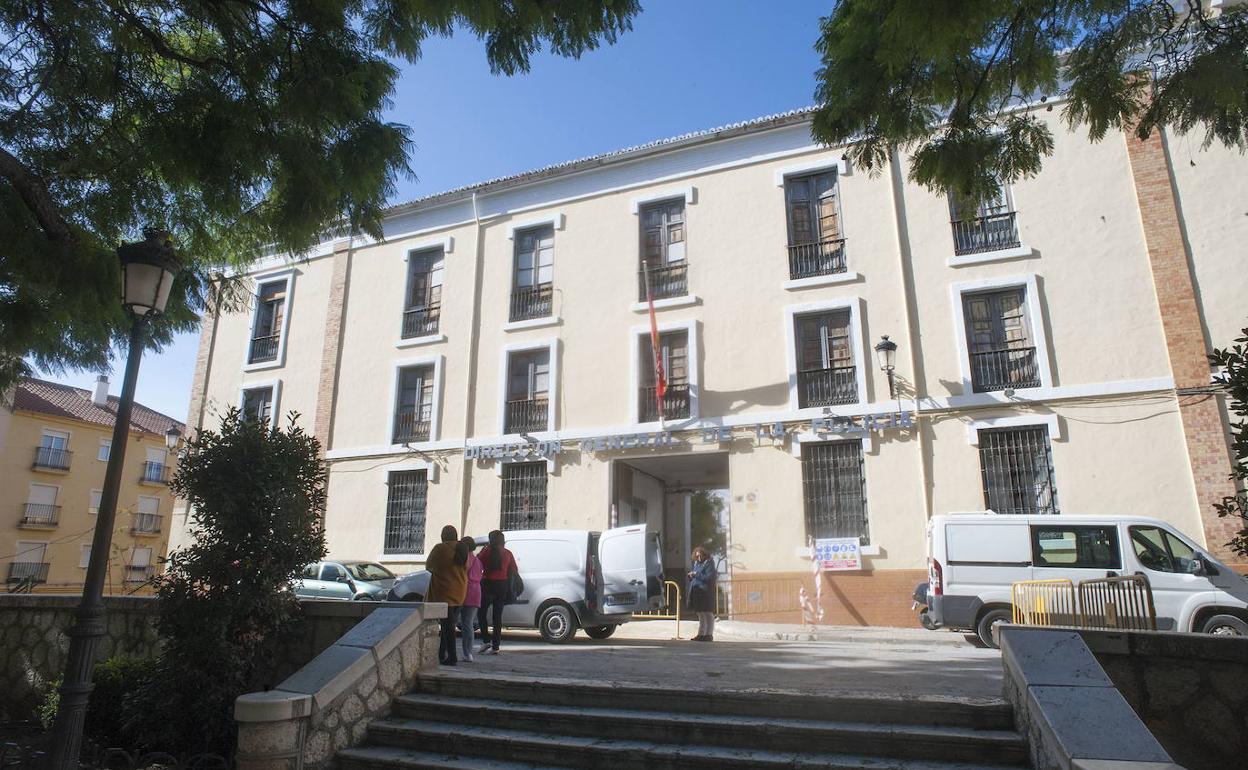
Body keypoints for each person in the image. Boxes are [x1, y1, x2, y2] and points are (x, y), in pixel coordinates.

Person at [425, 524, 468, 665]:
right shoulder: (463, 548)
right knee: (448, 626)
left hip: (444, 593)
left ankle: (452, 657)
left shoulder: (440, 548)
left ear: (443, 536)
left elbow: (429, 566)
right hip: (460, 593)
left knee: (447, 628)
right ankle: (441, 654)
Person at [477, 529, 518, 655]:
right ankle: (496, 645)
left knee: (481, 613)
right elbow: (514, 570)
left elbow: (477, 564)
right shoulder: (507, 553)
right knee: (497, 616)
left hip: (487, 585)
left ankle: (485, 640)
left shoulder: (486, 552)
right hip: (502, 585)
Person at [458, 535, 483, 662]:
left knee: (464, 623)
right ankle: (468, 653)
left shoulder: (465, 559)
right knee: (468, 624)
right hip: (476, 591)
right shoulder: (478, 561)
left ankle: (466, 653)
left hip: (465, 591)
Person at [687, 546, 717, 642]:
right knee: (700, 614)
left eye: (700, 556)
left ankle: (708, 634)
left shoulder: (709, 564)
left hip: (706, 593)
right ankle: (701, 634)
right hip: (697, 592)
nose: (699, 558)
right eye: (697, 556)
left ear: (704, 555)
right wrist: (691, 576)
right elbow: (696, 576)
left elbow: (709, 578)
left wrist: (696, 574)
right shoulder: (697, 564)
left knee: (708, 614)